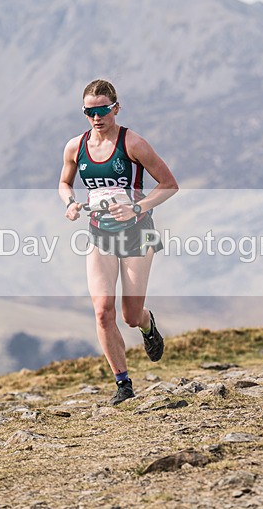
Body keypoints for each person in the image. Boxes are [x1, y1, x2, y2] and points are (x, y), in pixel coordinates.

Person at [59, 79, 179, 405]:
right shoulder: (76, 147)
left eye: (103, 110)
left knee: (130, 314)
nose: (97, 117)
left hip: (138, 231)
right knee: (102, 311)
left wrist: (137, 206)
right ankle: (123, 384)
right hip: (99, 232)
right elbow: (64, 183)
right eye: (89, 111)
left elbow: (169, 184)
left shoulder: (133, 143)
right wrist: (70, 202)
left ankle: (147, 325)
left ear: (116, 108)